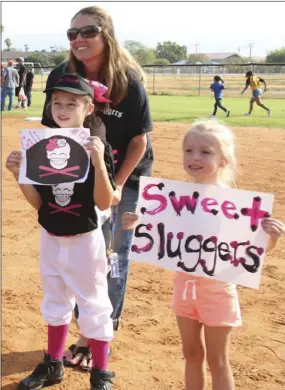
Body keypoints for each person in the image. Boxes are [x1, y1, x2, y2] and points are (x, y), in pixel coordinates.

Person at [121, 119, 285, 390]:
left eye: (205, 152)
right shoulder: (175, 199)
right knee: (191, 355)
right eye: (189, 150)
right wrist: (139, 221)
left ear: (224, 160)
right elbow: (165, 231)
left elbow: (247, 253)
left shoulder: (237, 205)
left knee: (218, 360)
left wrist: (271, 240)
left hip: (218, 292)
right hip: (184, 288)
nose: (194, 157)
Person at [41, 5, 153, 370]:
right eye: (72, 34)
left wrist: (118, 185)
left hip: (126, 177)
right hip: (79, 177)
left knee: (115, 255)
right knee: (81, 253)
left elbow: (140, 141)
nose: (78, 40)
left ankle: (95, 336)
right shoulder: (62, 74)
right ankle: (81, 327)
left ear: (106, 33)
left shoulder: (127, 79)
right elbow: (53, 129)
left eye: (87, 32)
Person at [6, 74, 117, 390]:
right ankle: (53, 363)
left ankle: (101, 373)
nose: (63, 109)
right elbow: (39, 204)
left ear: (88, 108)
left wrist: (97, 162)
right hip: (52, 236)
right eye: (57, 102)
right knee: (55, 301)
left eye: (72, 103)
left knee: (94, 302)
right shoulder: (41, 147)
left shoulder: (96, 146)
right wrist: (19, 175)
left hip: (85, 239)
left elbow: (104, 201)